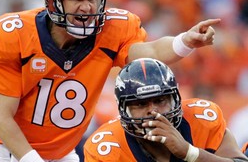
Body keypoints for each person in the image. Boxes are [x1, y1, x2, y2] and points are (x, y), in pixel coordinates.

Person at [0, 0, 220, 162]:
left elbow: (151, 51)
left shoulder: (112, 30)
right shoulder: (12, 35)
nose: (87, 7)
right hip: (5, 151)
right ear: (52, 2)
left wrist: (184, 41)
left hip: (62, 153)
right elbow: (1, 117)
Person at [84, 58, 248, 162]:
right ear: (123, 108)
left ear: (175, 98)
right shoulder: (107, 147)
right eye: (141, 104)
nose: (153, 110)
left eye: (160, 100)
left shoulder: (202, 119)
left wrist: (189, 153)